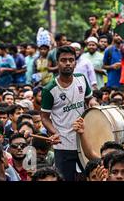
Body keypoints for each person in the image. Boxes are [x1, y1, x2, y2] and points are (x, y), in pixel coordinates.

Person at [40, 46, 93, 181]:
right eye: (64, 60)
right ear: (57, 62)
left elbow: (90, 100)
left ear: (75, 62)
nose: (68, 63)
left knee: (91, 177)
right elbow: (44, 118)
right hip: (63, 145)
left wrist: (93, 103)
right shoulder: (49, 89)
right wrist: (54, 132)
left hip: (84, 141)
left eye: (71, 60)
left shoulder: (82, 79)